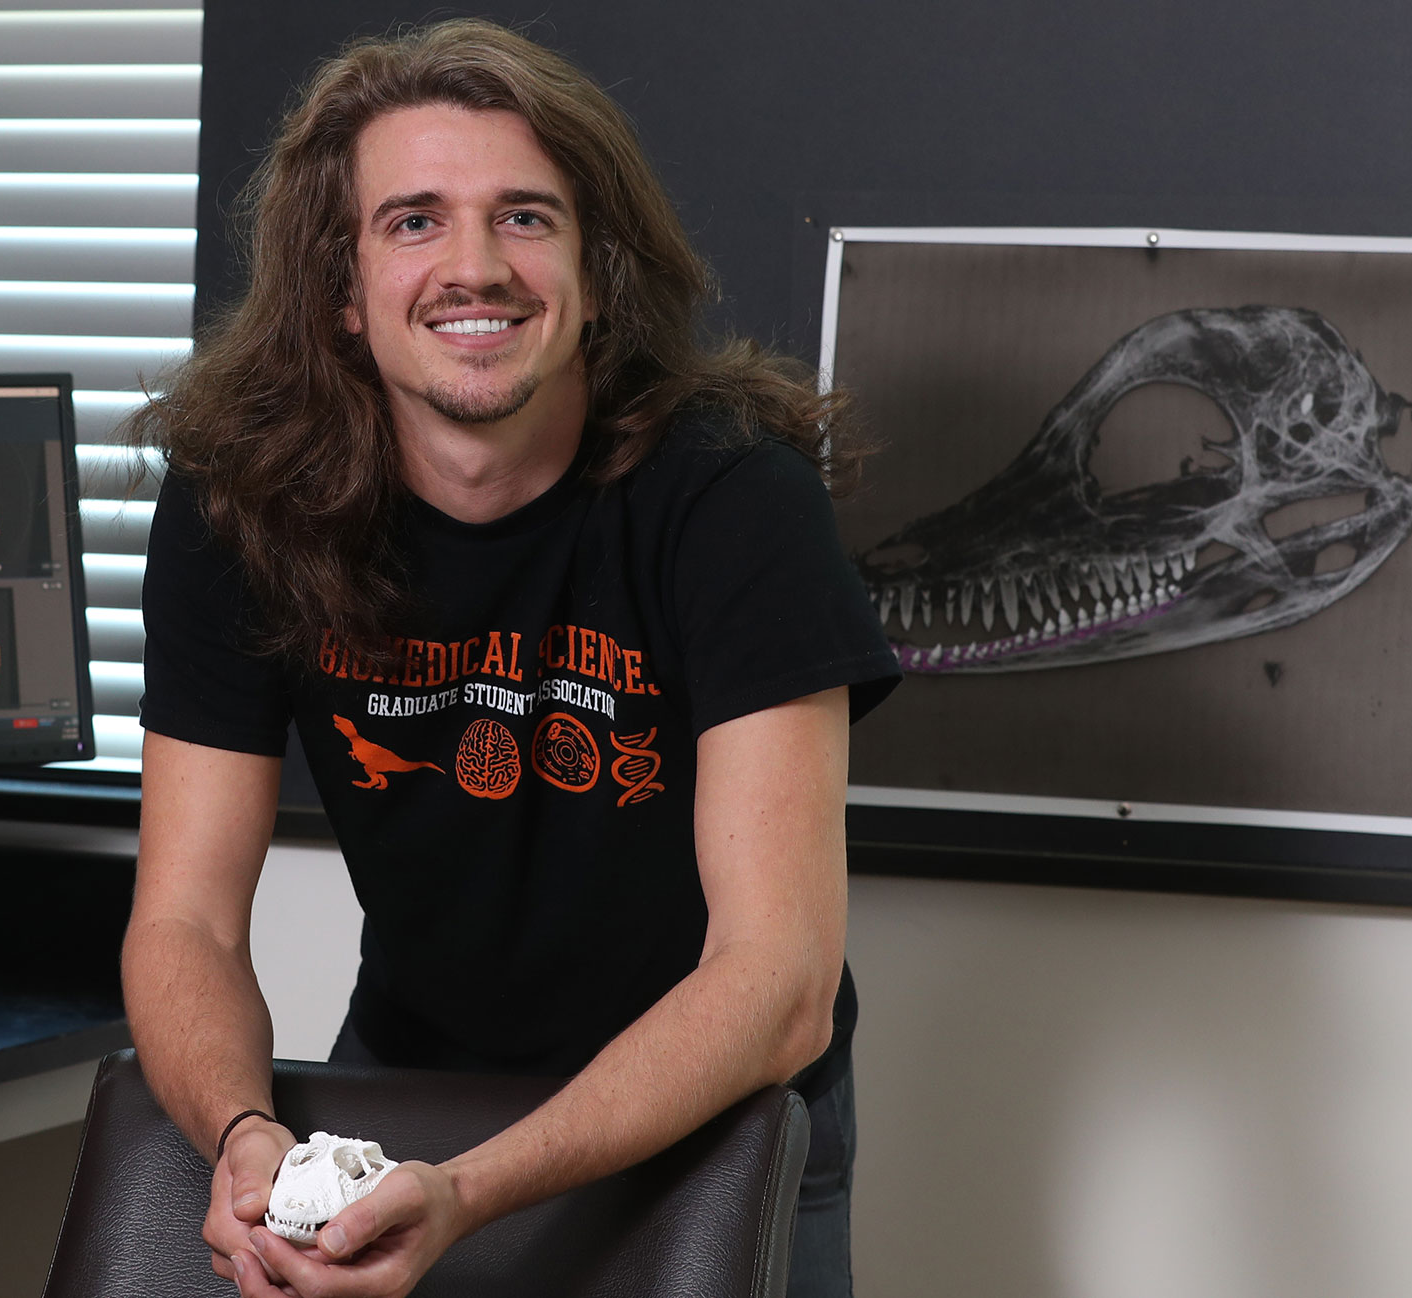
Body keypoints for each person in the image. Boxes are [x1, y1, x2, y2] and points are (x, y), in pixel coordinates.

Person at [120, 18, 900, 1298]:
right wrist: (242, 1129)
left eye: (525, 218)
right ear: (341, 284)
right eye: (414, 220)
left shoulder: (731, 497)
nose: (472, 268)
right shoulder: (238, 504)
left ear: (595, 271)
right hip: (415, 1083)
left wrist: (470, 1190)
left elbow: (778, 982)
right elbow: (186, 918)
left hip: (722, 1103)